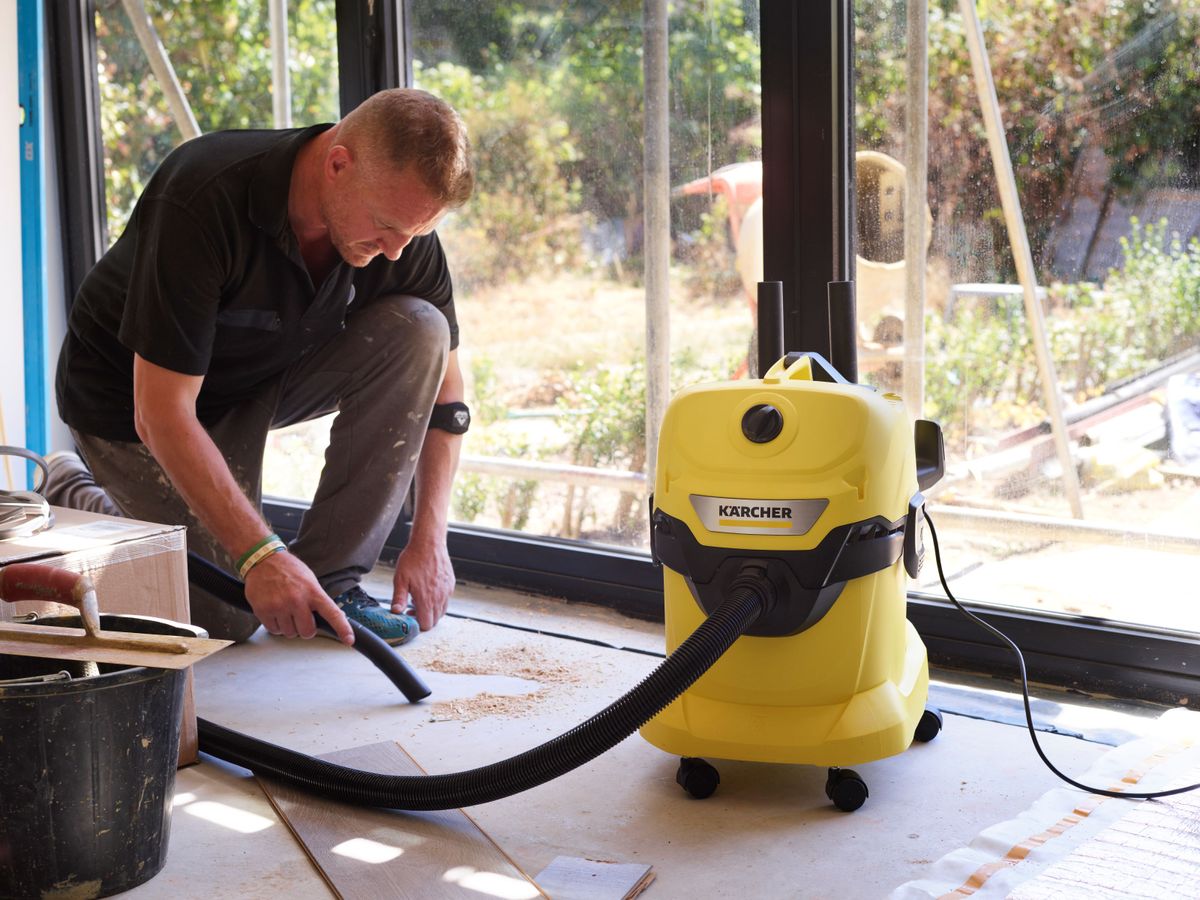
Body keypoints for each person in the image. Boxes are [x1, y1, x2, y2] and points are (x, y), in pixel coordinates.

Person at [48, 87, 475, 648]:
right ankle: (76, 487)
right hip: (130, 404)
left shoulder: (397, 233)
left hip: (258, 373)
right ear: (338, 163)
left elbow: (448, 397)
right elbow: (162, 413)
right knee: (230, 614)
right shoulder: (204, 195)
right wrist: (262, 555)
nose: (397, 251)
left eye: (414, 233)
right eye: (385, 225)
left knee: (422, 328)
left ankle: (333, 580)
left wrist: (430, 538)